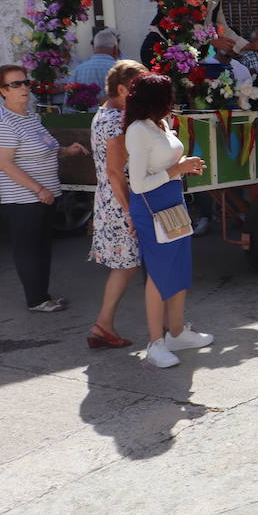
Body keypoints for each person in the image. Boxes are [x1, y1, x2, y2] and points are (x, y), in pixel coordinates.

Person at [124, 74, 214, 368]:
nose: (173, 100)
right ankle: (155, 342)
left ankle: (176, 333)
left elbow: (164, 164)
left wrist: (183, 168)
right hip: (152, 209)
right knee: (159, 274)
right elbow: (137, 184)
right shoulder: (138, 130)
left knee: (178, 267)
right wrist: (178, 168)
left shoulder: (158, 124)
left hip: (171, 204)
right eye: (169, 95)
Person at [0, 65, 89, 312]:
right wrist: (38, 189)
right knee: (29, 250)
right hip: (22, 200)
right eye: (15, 84)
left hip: (44, 197)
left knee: (42, 248)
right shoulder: (1, 122)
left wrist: (67, 150)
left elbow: (45, 148)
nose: (23, 88)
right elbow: (4, 163)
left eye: (25, 82)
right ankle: (36, 300)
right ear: (2, 91)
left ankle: (43, 296)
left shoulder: (29, 117)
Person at [87, 60, 148, 349]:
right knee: (126, 265)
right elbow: (115, 171)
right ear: (121, 89)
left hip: (110, 196)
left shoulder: (106, 113)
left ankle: (104, 324)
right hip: (119, 198)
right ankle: (103, 324)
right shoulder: (115, 121)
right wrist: (130, 211)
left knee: (127, 265)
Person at [70, 28, 120, 105]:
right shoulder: (121, 70)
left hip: (84, 116)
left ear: (94, 48)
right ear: (115, 49)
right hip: (114, 115)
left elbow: (68, 104)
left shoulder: (78, 70)